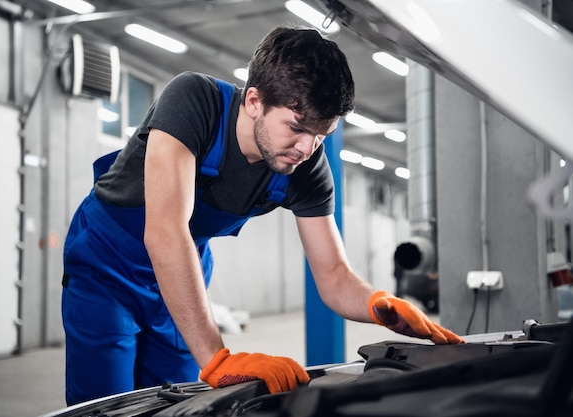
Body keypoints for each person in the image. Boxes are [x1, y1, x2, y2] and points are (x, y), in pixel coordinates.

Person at [61, 25, 465, 406]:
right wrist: (218, 359)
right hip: (107, 264)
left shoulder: (306, 167)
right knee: (107, 404)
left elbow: (334, 276)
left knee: (175, 400)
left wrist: (379, 302)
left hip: (183, 272)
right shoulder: (194, 102)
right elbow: (165, 231)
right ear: (254, 101)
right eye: (297, 127)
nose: (307, 147)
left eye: (321, 134)